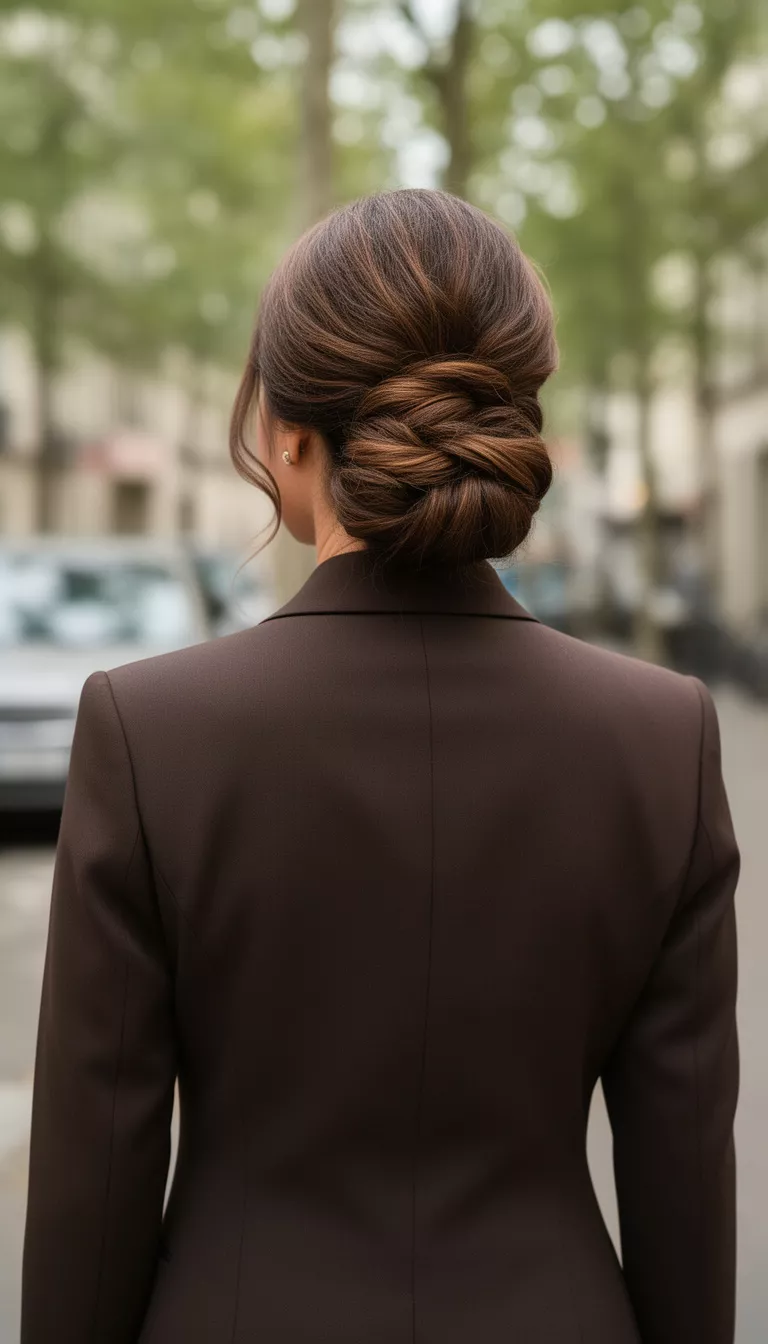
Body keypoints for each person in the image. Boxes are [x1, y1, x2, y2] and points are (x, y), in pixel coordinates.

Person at [22, 190, 739, 1344]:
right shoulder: (662, 735)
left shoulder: (149, 730)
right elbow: (686, 1187)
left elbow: (92, 1184)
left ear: (288, 436)